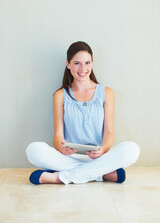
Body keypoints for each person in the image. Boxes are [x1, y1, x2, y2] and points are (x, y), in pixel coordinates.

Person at [26, 41, 140, 185]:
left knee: (131, 149)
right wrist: (60, 146)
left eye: (87, 63)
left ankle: (60, 178)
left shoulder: (106, 93)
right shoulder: (60, 95)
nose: (83, 68)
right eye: (77, 63)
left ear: (92, 63)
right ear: (68, 64)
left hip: (99, 158)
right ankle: (100, 174)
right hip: (69, 158)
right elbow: (57, 135)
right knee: (33, 150)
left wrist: (103, 149)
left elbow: (109, 132)